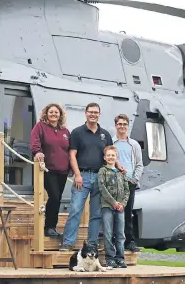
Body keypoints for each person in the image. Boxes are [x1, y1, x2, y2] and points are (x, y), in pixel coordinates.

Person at [59, 103, 125, 251]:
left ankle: (92, 244)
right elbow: (72, 155)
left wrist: (118, 165)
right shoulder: (77, 132)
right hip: (82, 176)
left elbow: (110, 153)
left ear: (99, 115)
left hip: (100, 177)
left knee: (96, 214)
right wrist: (77, 175)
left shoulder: (105, 134)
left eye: (96, 112)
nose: (93, 115)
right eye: (90, 112)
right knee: (76, 209)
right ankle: (68, 243)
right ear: (86, 114)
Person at [30, 103, 70, 238]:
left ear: (60, 115)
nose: (54, 114)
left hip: (63, 170)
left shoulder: (65, 131)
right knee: (54, 196)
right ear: (46, 114)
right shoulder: (40, 127)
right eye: (51, 112)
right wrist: (38, 152)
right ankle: (49, 227)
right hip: (47, 169)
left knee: (57, 198)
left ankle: (52, 226)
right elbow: (35, 142)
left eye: (56, 112)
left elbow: (69, 149)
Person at [112, 114, 143, 252]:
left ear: (127, 126)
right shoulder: (111, 143)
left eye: (125, 124)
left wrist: (134, 179)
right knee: (114, 211)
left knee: (128, 212)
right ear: (116, 125)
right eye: (120, 124)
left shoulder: (134, 144)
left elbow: (139, 164)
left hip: (129, 182)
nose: (122, 126)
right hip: (114, 182)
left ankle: (129, 241)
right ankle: (114, 240)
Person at [98, 145, 129, 268]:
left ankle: (120, 258)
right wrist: (113, 202)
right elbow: (102, 188)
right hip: (107, 206)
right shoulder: (103, 171)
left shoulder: (121, 173)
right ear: (105, 158)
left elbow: (127, 190)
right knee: (108, 232)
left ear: (116, 157)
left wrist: (122, 203)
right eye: (108, 155)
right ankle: (110, 257)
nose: (111, 157)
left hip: (120, 208)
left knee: (120, 233)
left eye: (113, 155)